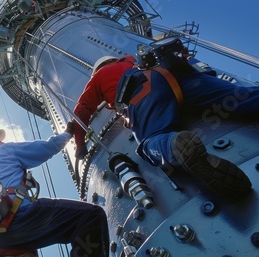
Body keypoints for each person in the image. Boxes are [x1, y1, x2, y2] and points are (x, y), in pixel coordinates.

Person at [72, 50, 257, 202]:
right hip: (175, 73)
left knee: (150, 140)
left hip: (144, 90)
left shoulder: (99, 77)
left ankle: (173, 147)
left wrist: (80, 145)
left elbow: (81, 112)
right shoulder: (131, 59)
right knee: (237, 97)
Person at [0, 126, 127, 257]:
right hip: (15, 221)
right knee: (88, 216)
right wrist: (68, 133)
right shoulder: (2, 151)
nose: (1, 142)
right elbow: (47, 147)